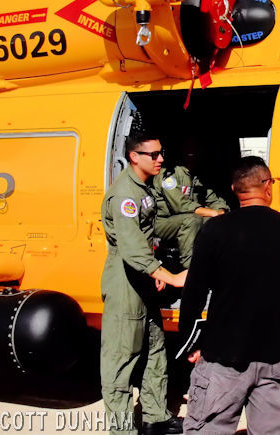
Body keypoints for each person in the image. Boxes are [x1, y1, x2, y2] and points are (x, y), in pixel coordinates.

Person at [178, 156, 280, 434]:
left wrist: (191, 341)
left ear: (234, 190)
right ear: (268, 186)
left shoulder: (215, 230)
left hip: (222, 356)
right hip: (277, 358)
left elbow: (194, 292)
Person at [100, 132, 187, 435]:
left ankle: (155, 415)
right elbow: (133, 248)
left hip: (143, 280)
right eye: (154, 155)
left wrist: (156, 272)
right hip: (126, 283)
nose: (161, 159)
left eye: (161, 153)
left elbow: (149, 238)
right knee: (121, 359)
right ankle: (121, 429)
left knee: (154, 348)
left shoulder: (144, 189)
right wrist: (170, 276)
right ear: (135, 157)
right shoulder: (125, 195)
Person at [153, 136, 231, 270]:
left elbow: (213, 198)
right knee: (193, 219)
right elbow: (180, 205)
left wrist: (221, 212)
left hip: (185, 219)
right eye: (190, 148)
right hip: (162, 221)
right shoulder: (168, 175)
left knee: (215, 221)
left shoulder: (196, 175)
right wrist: (213, 213)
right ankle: (189, 266)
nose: (194, 152)